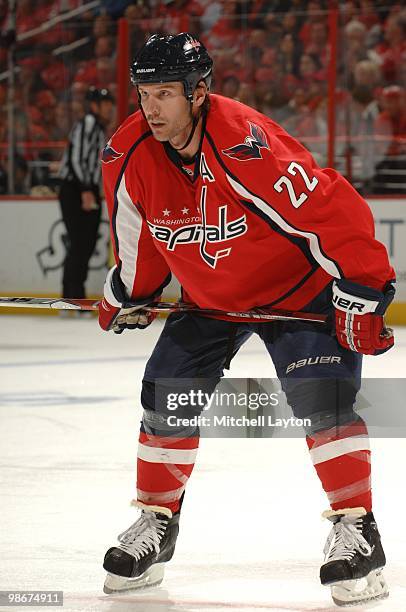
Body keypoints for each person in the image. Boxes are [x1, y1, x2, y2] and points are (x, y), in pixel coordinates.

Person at [98, 33, 395, 606]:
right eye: (143, 94)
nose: (151, 108)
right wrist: (126, 292)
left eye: (164, 94)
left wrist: (361, 288)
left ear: (198, 92)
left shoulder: (243, 143)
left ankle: (358, 532)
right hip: (212, 301)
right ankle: (156, 526)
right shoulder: (127, 152)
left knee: (323, 398)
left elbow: (330, 209)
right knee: (166, 397)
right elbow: (139, 238)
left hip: (297, 291)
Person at [58, 86, 114, 301]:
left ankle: (73, 297)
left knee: (85, 244)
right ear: (94, 106)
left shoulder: (97, 127)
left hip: (85, 189)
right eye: (106, 104)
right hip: (76, 189)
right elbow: (76, 158)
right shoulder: (89, 124)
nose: (109, 109)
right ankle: (72, 297)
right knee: (80, 243)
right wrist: (85, 190)